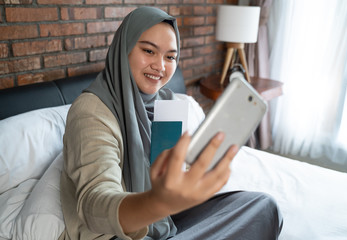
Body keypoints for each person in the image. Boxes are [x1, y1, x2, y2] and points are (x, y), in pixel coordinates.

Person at [59, 6, 282, 240]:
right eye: (149, 51)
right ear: (123, 49)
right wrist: (158, 202)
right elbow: (95, 205)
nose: (161, 66)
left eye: (170, 57)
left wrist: (185, 179)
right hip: (116, 234)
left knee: (263, 206)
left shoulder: (166, 101)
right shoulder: (91, 111)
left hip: (164, 217)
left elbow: (165, 170)